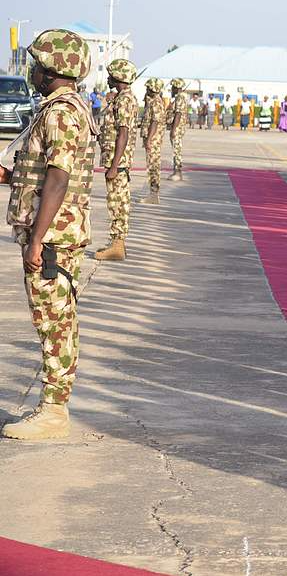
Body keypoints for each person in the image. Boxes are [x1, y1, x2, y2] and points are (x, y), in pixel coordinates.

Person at [0, 29, 97, 440]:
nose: (33, 71)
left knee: (54, 321)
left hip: (53, 237)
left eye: (38, 64)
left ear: (52, 68)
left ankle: (54, 412)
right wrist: (10, 176)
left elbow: (59, 177)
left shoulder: (60, 112)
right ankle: (55, 405)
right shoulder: (62, 107)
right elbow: (45, 173)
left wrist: (37, 240)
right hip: (57, 231)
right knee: (59, 318)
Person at [94, 59, 140, 262]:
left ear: (119, 77)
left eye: (111, 75)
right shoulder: (121, 98)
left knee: (117, 202)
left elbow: (123, 133)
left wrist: (114, 166)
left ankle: (117, 245)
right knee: (117, 201)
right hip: (116, 159)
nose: (108, 78)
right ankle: (117, 243)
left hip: (118, 162)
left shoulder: (125, 100)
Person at [139, 78, 166, 205]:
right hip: (154, 139)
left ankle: (154, 194)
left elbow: (154, 122)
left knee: (153, 167)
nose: (147, 90)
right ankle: (153, 193)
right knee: (152, 166)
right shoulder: (154, 101)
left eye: (148, 88)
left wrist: (149, 139)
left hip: (153, 140)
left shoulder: (156, 102)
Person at [167, 78, 188, 181]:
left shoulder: (180, 98)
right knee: (176, 149)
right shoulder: (180, 97)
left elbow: (178, 114)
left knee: (177, 150)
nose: (172, 89)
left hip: (177, 128)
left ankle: (177, 172)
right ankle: (176, 171)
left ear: (176, 87)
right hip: (179, 127)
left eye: (173, 87)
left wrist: (173, 129)